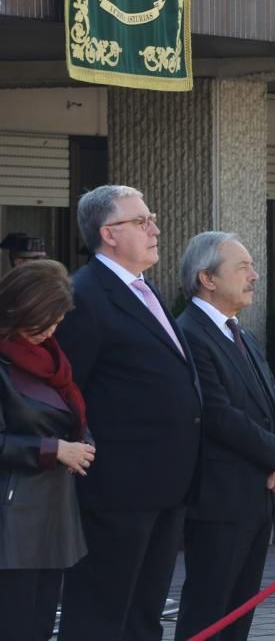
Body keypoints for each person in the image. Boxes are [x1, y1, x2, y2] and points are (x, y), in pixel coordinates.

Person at [56, 185, 202, 641]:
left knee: (144, 615)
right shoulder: (84, 295)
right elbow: (66, 392)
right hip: (114, 491)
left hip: (164, 486)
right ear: (109, 234)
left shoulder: (144, 289)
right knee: (101, 614)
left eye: (151, 218)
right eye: (141, 222)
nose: (155, 229)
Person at [173, 232, 275, 641]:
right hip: (219, 498)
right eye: (242, 267)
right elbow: (216, 413)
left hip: (258, 493)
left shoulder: (240, 333)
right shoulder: (189, 333)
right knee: (209, 609)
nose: (255, 276)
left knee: (239, 611)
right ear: (207, 278)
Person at [0, 260, 93, 641]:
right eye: (43, 320)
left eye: (57, 320)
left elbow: (69, 415)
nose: (51, 329)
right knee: (16, 624)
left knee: (38, 624)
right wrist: (53, 449)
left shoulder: (53, 357)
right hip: (12, 518)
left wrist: (82, 441)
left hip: (52, 512)